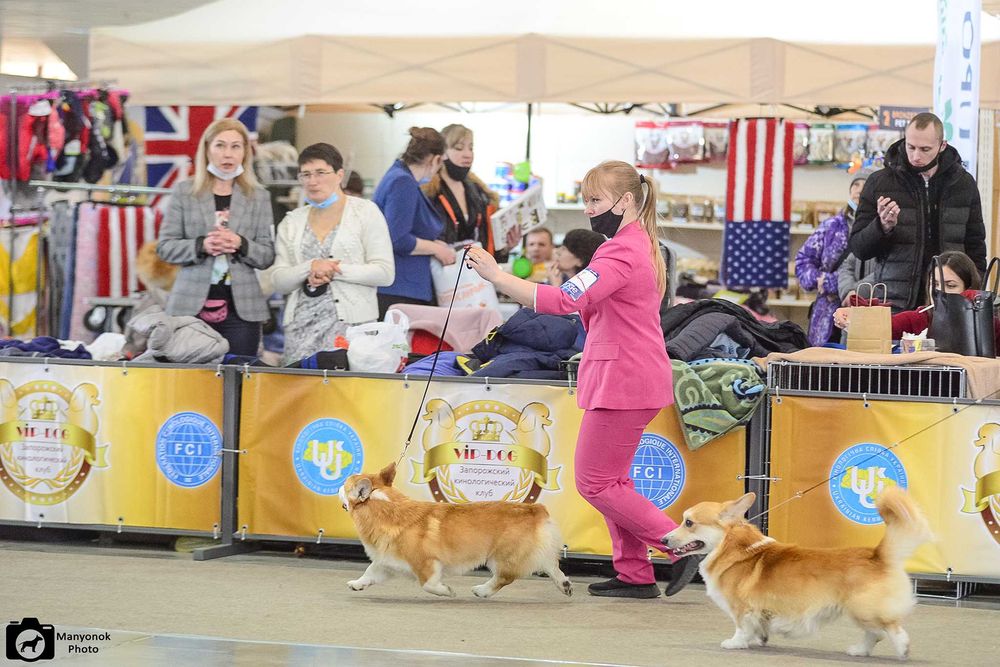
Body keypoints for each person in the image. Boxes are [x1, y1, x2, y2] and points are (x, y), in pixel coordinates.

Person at [466, 160, 700, 599]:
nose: (589, 210)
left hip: (624, 378)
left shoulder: (619, 251)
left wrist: (497, 276)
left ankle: (680, 546)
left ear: (626, 201)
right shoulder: (638, 244)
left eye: (596, 200)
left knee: (595, 482)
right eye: (585, 200)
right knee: (614, 482)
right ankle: (634, 573)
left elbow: (559, 301)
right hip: (631, 375)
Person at [156, 118, 275, 356]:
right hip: (190, 306)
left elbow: (267, 255)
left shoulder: (258, 196)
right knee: (189, 382)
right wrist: (202, 245)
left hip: (242, 310)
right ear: (207, 149)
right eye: (220, 145)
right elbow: (165, 248)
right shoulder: (184, 192)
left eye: (235, 146)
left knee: (240, 379)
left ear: (245, 152)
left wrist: (241, 244)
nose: (227, 154)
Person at [268, 143, 394, 365]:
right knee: (300, 394)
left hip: (353, 331)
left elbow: (384, 273)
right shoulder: (292, 221)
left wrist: (334, 269)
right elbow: (279, 280)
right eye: (305, 174)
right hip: (300, 329)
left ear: (339, 175)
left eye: (320, 173)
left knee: (346, 394)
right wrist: (310, 267)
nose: (312, 181)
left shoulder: (366, 212)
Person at [849, 112, 986, 313]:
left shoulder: (963, 183)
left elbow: (976, 246)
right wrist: (882, 226)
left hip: (949, 304)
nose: (916, 156)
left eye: (925, 149)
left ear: (942, 146)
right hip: (895, 302)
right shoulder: (879, 182)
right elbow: (859, 249)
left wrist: (974, 293)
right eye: (910, 147)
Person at [832, 250, 999, 353]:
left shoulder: (990, 325)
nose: (941, 291)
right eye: (936, 284)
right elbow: (883, 326)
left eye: (951, 285)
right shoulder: (920, 318)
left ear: (969, 287)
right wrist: (852, 316)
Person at [374, 127, 455, 318]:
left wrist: (434, 244)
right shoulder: (403, 183)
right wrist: (437, 249)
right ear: (435, 159)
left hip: (401, 287)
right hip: (400, 289)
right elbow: (398, 238)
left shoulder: (399, 176)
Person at [422, 124, 516, 260]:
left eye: (471, 148)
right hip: (438, 273)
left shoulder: (480, 193)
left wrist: (506, 247)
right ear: (442, 153)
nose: (468, 154)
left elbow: (486, 243)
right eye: (459, 148)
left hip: (475, 275)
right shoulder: (428, 193)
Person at [794, 176, 866, 345]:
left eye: (865, 185)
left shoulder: (879, 229)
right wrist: (818, 279)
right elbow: (803, 260)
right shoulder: (831, 226)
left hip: (860, 314)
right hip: (826, 317)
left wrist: (835, 283)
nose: (859, 190)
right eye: (856, 184)